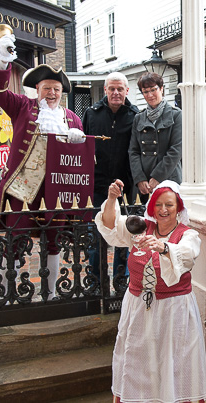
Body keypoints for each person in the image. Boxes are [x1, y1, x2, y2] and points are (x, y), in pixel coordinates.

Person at [0, 32, 93, 297]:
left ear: (61, 92)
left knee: (54, 241)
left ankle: (52, 293)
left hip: (56, 188)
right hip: (23, 186)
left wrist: (79, 141)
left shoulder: (73, 118)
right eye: (46, 88)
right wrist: (2, 59)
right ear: (38, 90)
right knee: (15, 239)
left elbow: (81, 158)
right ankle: (11, 293)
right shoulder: (22, 106)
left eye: (56, 89)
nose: (51, 93)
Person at [95, 179, 206, 402]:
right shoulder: (140, 228)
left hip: (173, 310)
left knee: (173, 361)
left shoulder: (187, 235)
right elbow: (110, 225)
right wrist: (111, 199)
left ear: (178, 208)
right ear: (151, 207)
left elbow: (187, 255)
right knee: (138, 361)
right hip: (138, 308)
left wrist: (164, 247)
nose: (163, 210)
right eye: (158, 205)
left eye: (169, 205)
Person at [83, 72, 139, 283]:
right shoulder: (91, 114)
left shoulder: (135, 115)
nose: (116, 93)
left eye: (120, 89)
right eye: (112, 89)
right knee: (96, 235)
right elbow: (83, 148)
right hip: (97, 185)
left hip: (126, 184)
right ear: (105, 90)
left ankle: (120, 280)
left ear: (127, 90)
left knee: (124, 234)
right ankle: (95, 281)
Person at [129, 72, 182, 201]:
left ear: (161, 89)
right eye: (145, 91)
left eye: (153, 90)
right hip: (144, 184)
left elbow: (176, 150)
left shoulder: (176, 115)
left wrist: (157, 177)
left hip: (168, 179)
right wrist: (139, 179)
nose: (150, 95)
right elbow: (133, 151)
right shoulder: (138, 118)